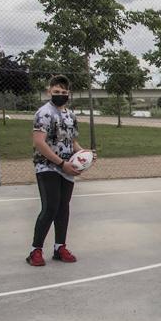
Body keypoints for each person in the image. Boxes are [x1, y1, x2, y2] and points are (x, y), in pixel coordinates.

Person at [27, 75, 96, 266]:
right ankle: (35, 250)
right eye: (56, 92)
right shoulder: (43, 113)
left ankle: (59, 247)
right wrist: (60, 163)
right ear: (49, 91)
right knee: (50, 207)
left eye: (64, 92)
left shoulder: (70, 116)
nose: (60, 95)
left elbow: (71, 142)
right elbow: (39, 142)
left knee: (63, 208)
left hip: (66, 168)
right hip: (48, 166)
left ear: (69, 94)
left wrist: (85, 154)